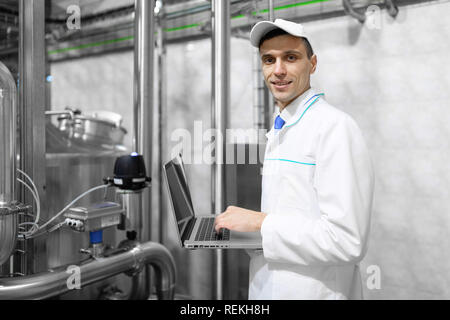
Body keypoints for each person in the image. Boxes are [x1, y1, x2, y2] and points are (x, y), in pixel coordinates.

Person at [214, 19, 375, 300]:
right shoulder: (284, 126)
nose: (278, 70)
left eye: (290, 57)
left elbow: (348, 241)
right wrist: (248, 233)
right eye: (268, 59)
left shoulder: (334, 128)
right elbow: (293, 213)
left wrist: (260, 224)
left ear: (312, 64)